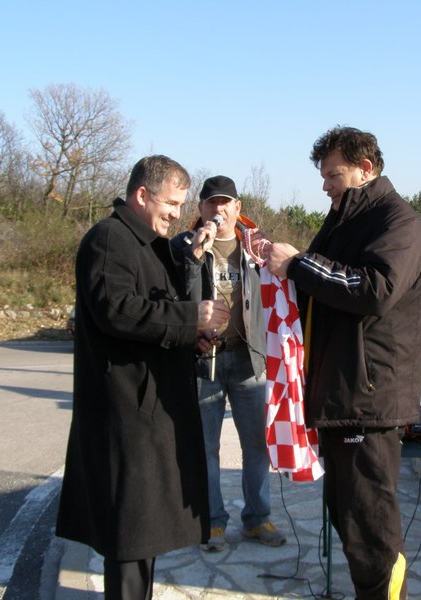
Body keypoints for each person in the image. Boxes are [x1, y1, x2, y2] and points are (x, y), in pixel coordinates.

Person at [56, 155, 230, 600]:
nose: (177, 213)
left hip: (148, 410)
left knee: (143, 534)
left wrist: (191, 337)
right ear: (141, 195)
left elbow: (153, 317)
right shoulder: (109, 239)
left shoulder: (149, 242)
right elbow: (118, 311)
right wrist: (191, 318)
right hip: (125, 411)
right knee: (130, 537)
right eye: (171, 203)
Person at [265, 127, 421, 600]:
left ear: (367, 169)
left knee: (369, 527)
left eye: (333, 175)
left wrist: (297, 264)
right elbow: (321, 282)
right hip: (340, 395)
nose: (325, 186)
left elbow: (374, 290)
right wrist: (278, 265)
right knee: (348, 516)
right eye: (323, 176)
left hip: (368, 398)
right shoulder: (343, 219)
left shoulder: (397, 221)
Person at [171, 175, 286, 552]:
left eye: (226, 203)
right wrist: (195, 258)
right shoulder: (182, 248)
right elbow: (176, 301)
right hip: (205, 361)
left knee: (256, 446)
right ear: (200, 209)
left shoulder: (256, 250)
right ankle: (212, 522)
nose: (218, 209)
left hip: (249, 360)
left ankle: (257, 519)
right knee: (206, 448)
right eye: (210, 203)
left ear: (238, 209)